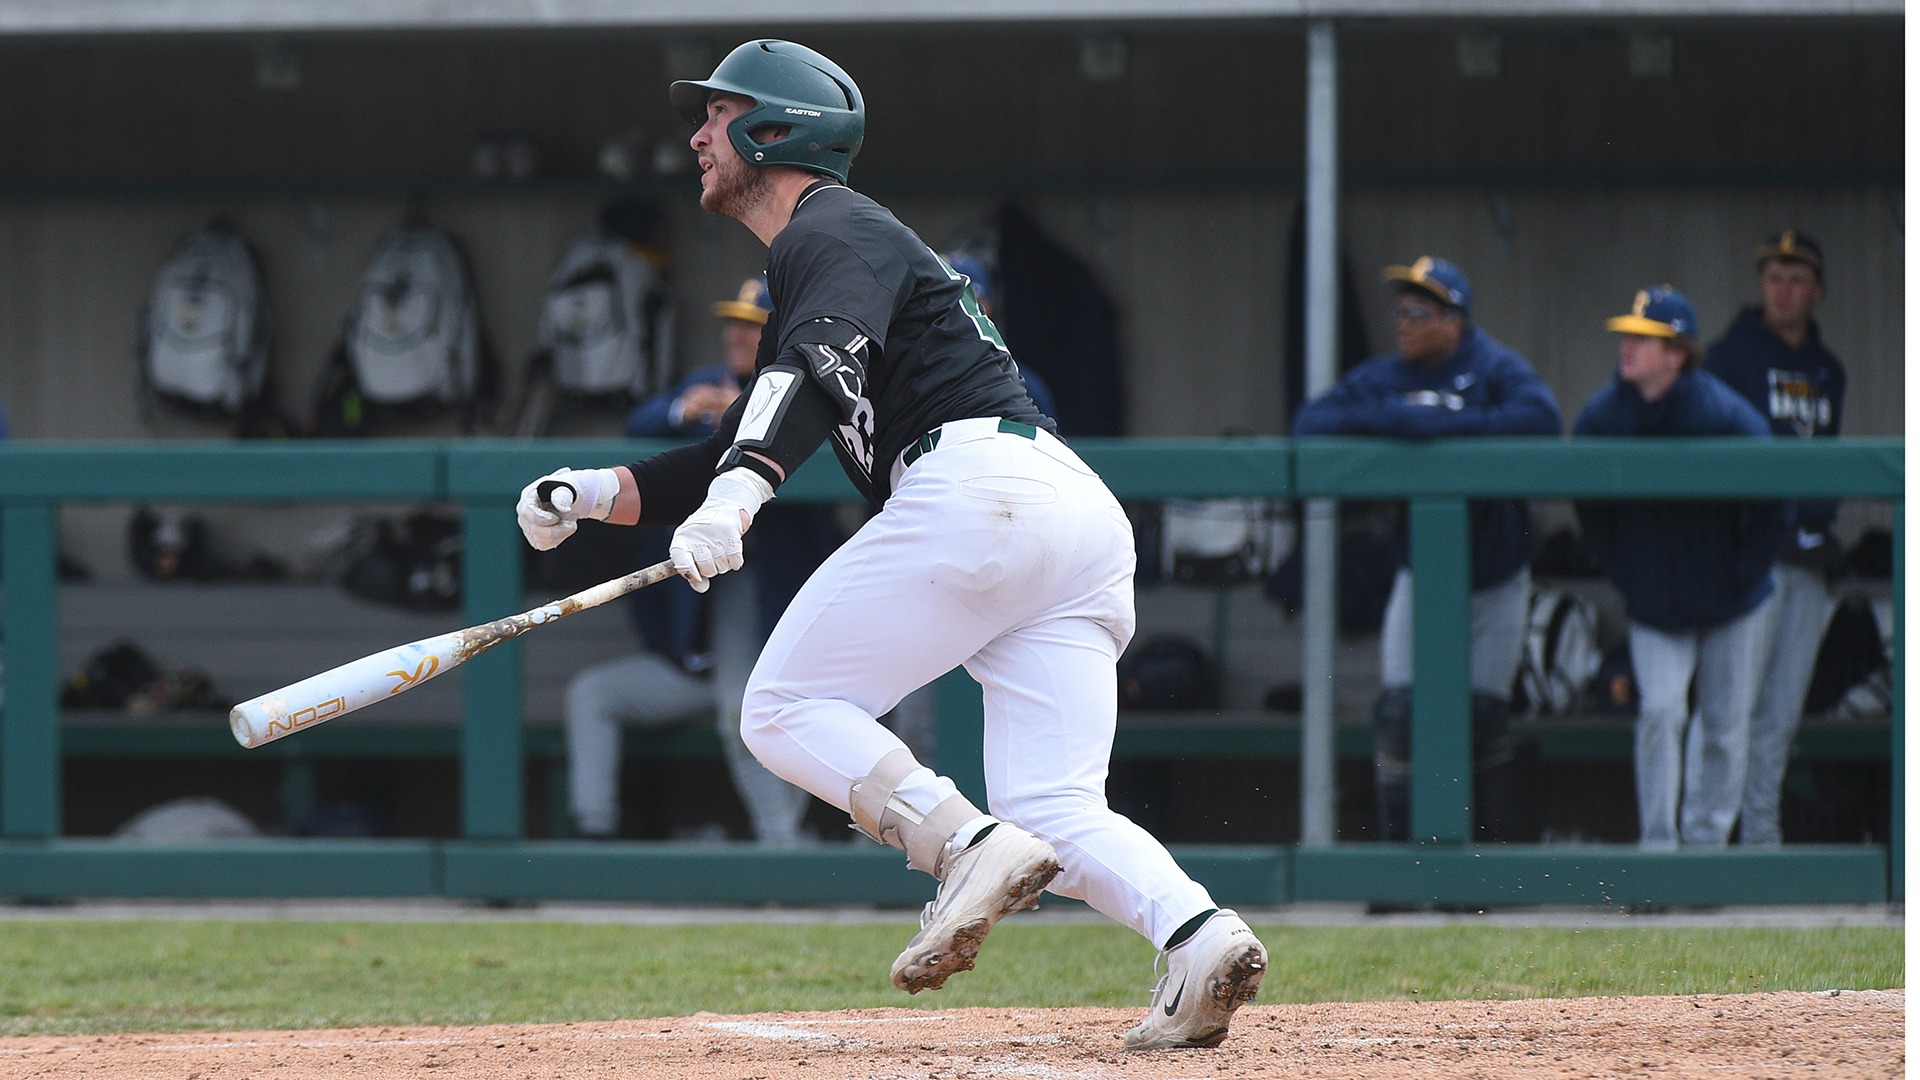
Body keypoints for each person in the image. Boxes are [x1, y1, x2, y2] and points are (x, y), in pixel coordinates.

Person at [514, 39, 1266, 1051]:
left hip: (981, 492)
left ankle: (962, 845)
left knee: (780, 707)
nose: (697, 134)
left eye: (719, 114)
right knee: (1053, 801)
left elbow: (803, 384)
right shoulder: (839, 255)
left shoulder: (830, 226)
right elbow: (747, 428)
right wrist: (589, 491)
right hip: (1065, 516)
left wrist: (739, 499)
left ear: (775, 132)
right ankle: (1199, 936)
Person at [1291, 256, 1562, 842]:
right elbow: (1312, 422)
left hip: (1498, 570)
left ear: (1454, 321)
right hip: (1421, 570)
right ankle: (1403, 863)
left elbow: (1541, 417)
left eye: (1419, 312)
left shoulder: (1491, 365)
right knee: (1398, 715)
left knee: (1484, 720)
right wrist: (1409, 418)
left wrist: (1440, 422)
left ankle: (1483, 869)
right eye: (1400, 311)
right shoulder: (1390, 376)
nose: (1403, 324)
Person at [565, 273, 829, 845]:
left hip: (783, 613)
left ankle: (784, 847)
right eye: (734, 321)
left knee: (760, 712)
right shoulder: (704, 385)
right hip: (696, 636)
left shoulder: (811, 393)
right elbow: (641, 424)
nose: (737, 334)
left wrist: (745, 412)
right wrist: (692, 411)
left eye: (752, 324)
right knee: (595, 694)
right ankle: (596, 841)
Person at [1572, 285, 1788, 849]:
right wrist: (1620, 568)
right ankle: (1659, 849)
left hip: (1732, 600)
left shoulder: (1718, 409)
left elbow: (1780, 490)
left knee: (1723, 728)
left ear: (1678, 354)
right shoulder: (1604, 413)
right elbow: (1584, 499)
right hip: (1657, 601)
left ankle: (1706, 848)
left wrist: (1746, 568)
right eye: (1628, 335)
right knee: (1661, 714)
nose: (1628, 347)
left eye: (1645, 339)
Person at [1702, 231, 1847, 847]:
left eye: (1795, 278)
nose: (1783, 289)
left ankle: (1762, 837)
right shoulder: (1729, 358)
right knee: (1730, 710)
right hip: (1753, 556)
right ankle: (1707, 840)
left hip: (1811, 555)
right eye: (1773, 277)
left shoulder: (1827, 370)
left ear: (1816, 291)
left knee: (1781, 714)